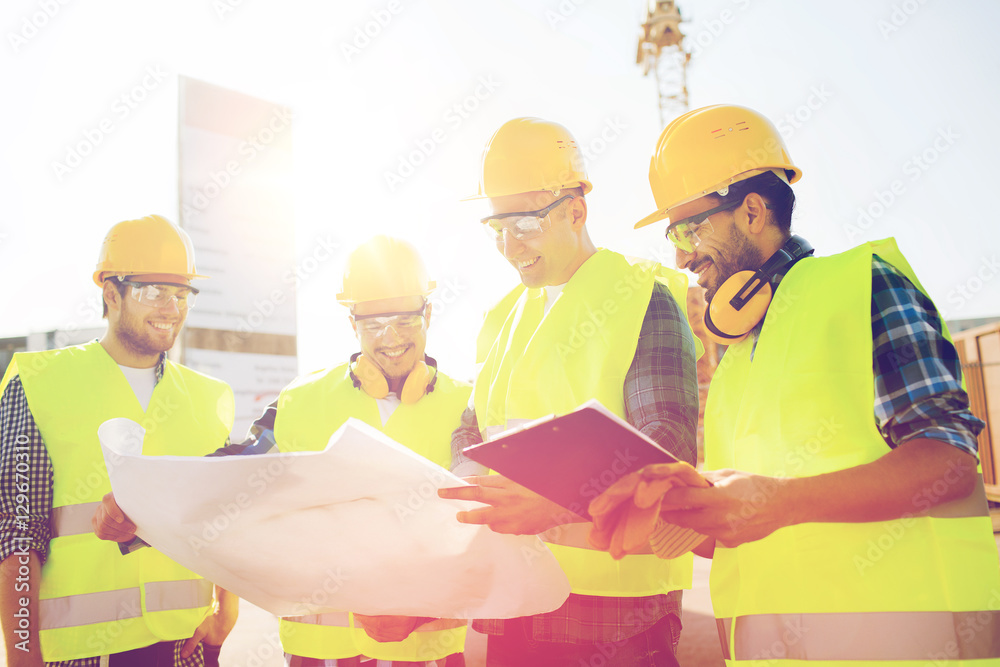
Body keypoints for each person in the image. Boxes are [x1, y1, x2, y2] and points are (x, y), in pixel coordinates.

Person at [594, 103, 1000, 664]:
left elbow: (950, 463)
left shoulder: (862, 286)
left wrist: (777, 503)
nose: (683, 256)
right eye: (674, 236)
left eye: (689, 228)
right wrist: (677, 513)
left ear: (754, 210)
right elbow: (761, 529)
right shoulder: (735, 355)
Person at [95, 235, 471, 667]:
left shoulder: (464, 409)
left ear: (428, 313)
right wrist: (139, 511)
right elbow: (231, 480)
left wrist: (421, 611)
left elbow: (482, 534)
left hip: (427, 654)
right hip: (319, 653)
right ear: (352, 323)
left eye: (404, 320)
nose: (390, 338)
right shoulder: (302, 400)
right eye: (373, 324)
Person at [437, 117, 701, 666]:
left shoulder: (641, 297)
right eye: (497, 228)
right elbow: (472, 428)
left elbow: (669, 450)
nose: (509, 247)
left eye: (524, 226)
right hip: (515, 601)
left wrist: (555, 503)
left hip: (618, 617)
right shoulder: (502, 316)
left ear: (575, 212)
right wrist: (465, 490)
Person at [0, 215, 238, 667]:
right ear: (111, 292)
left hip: (182, 649)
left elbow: (224, 519)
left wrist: (225, 612)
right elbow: (15, 534)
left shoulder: (212, 398)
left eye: (181, 293)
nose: (171, 308)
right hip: (79, 654)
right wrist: (22, 655)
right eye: (153, 291)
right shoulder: (38, 383)